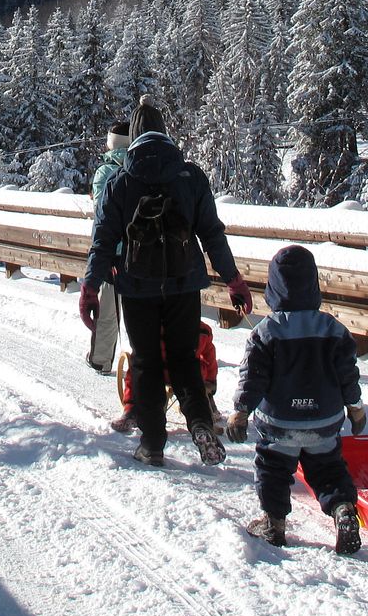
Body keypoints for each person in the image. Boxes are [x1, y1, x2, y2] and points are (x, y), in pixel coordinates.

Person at [81, 97, 252, 467]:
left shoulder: (120, 182)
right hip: (184, 283)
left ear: (136, 136)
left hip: (137, 286)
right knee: (184, 359)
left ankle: (153, 444)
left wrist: (90, 288)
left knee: (145, 362)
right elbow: (212, 234)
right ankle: (201, 426)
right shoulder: (190, 176)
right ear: (165, 132)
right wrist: (234, 279)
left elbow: (103, 240)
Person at [226, 244, 367, 554]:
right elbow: (348, 374)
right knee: (328, 469)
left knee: (272, 468)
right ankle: (343, 509)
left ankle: (274, 522)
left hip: (280, 424)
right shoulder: (334, 330)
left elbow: (253, 376)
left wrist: (241, 412)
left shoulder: (266, 332)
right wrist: (355, 409)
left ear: (273, 287)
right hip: (325, 422)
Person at [85, 120, 131, 377]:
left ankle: (101, 360)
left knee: (108, 310)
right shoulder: (138, 166)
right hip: (138, 251)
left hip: (112, 252)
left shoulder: (105, 172)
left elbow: (102, 214)